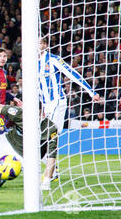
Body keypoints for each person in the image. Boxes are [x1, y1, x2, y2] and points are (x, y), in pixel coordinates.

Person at [39, 36, 101, 190]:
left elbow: (72, 73)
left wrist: (91, 92)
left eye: (39, 42)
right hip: (46, 106)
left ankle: (47, 178)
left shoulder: (53, 60)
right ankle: (52, 172)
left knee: (49, 137)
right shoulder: (29, 64)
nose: (36, 45)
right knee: (39, 140)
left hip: (58, 103)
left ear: (45, 45)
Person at [0, 102, 58, 189]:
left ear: (43, 114)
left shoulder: (51, 128)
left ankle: (2, 177)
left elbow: (51, 157)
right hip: (6, 141)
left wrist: (46, 181)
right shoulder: (20, 113)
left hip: (23, 156)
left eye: (37, 114)